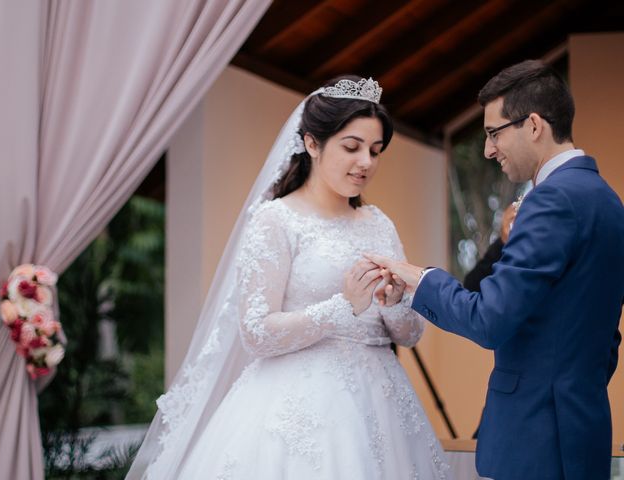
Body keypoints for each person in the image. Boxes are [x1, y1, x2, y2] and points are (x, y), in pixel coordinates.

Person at [126, 76, 451, 479]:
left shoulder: (378, 223)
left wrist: (393, 300)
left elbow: (409, 334)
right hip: (297, 403)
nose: (366, 162)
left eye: (375, 150)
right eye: (352, 147)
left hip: (383, 401)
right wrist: (343, 307)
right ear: (312, 144)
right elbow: (256, 332)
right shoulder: (276, 220)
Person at [367, 60, 624, 480]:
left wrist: (420, 279)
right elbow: (604, 333)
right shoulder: (608, 201)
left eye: (494, 133)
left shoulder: (552, 200)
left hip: (536, 439)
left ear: (534, 125)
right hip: (582, 429)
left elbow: (489, 320)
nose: (488, 150)